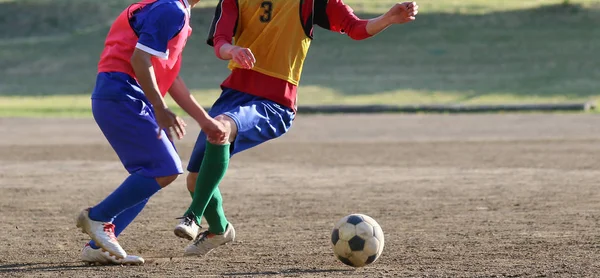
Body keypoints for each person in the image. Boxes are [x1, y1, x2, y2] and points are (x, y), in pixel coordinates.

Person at [173, 0, 419, 256]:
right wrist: (232, 49)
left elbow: (355, 28)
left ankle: (192, 216)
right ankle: (219, 229)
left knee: (221, 128)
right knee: (195, 181)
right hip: (233, 95)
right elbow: (221, 41)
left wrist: (388, 18)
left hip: (276, 103)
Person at [75, 0, 225, 265]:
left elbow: (170, 76)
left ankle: (98, 246)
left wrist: (204, 120)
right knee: (163, 169)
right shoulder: (170, 8)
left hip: (123, 94)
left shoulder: (174, 10)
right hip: (124, 93)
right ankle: (99, 216)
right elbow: (139, 59)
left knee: (151, 172)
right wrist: (159, 107)